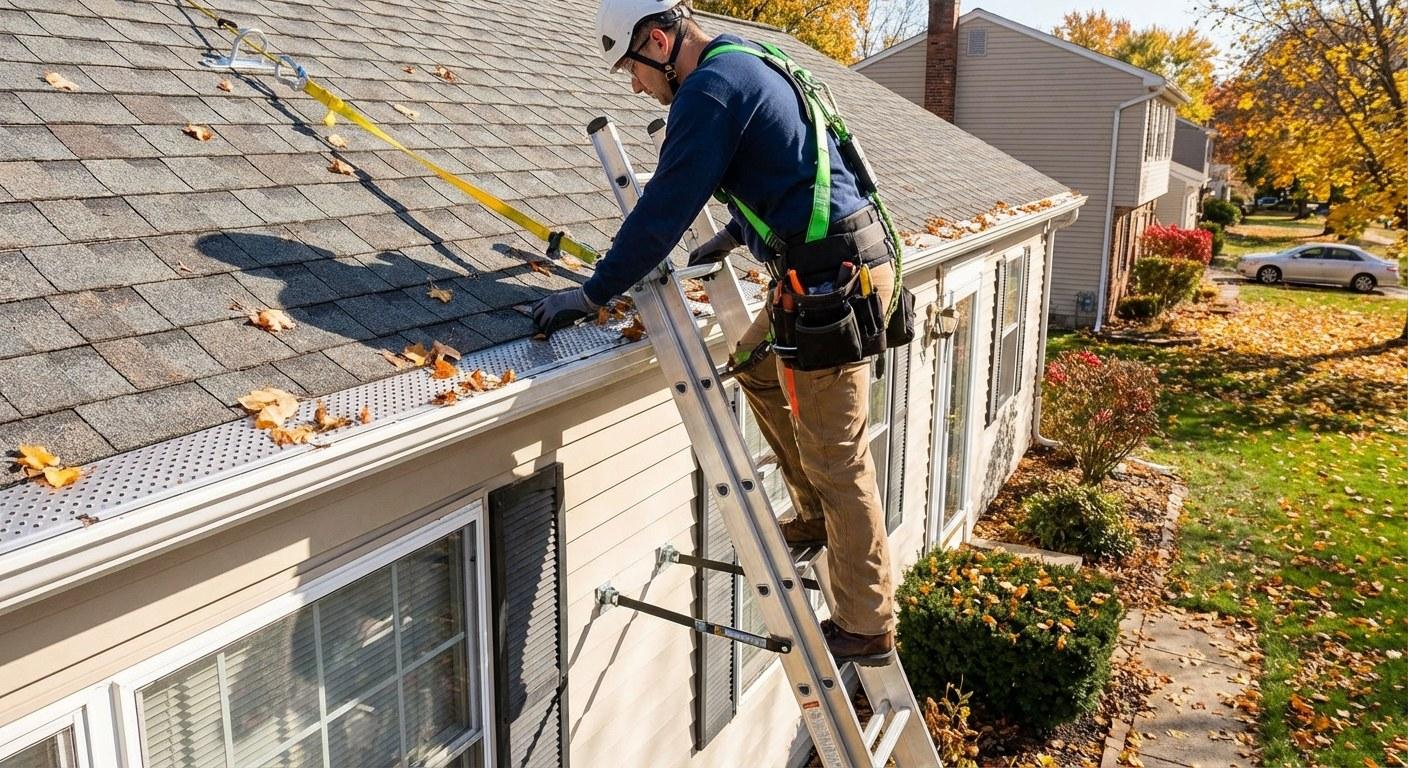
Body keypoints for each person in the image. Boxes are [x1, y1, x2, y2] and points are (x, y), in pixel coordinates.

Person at [532, 0, 900, 663]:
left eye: (632, 69)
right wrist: (735, 233)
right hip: (825, 270)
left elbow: (662, 212)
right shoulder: (751, 60)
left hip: (832, 285)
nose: (634, 85)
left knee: (838, 457)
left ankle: (867, 621)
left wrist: (591, 294)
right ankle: (814, 513)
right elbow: (797, 163)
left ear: (656, 38)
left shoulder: (710, 90)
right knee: (757, 367)